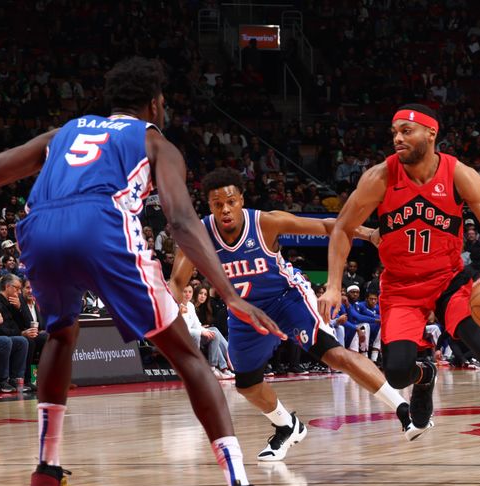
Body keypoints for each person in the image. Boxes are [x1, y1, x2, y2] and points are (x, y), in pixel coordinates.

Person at [0, 57, 284, 486]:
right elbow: (181, 220)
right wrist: (229, 294)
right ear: (154, 103)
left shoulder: (61, 133)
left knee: (61, 335)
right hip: (102, 226)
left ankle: (45, 475)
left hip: (39, 228)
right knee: (187, 355)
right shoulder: (154, 139)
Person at [319, 103, 480, 474]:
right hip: (401, 287)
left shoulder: (459, 174)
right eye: (394, 131)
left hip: (448, 281)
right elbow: (342, 228)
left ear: (430, 134)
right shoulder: (380, 177)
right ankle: (425, 375)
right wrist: (332, 286)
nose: (397, 138)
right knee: (396, 372)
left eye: (406, 131)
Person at [170, 167, 413, 463]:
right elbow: (178, 282)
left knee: (332, 353)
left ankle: (402, 408)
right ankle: (287, 425)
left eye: (231, 201)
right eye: (217, 204)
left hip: (287, 299)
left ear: (241, 200)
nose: (225, 209)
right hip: (246, 314)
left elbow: (324, 226)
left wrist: (367, 234)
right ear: (208, 206)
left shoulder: (265, 223)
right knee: (246, 385)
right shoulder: (198, 236)